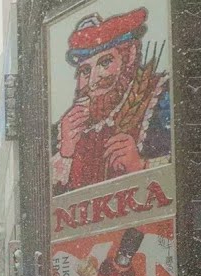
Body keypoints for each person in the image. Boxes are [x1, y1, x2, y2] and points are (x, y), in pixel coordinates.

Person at [50, 8, 171, 196]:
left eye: (105, 63)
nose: (92, 81)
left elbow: (190, 164)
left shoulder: (160, 96)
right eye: (85, 71)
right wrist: (65, 152)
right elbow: (47, 197)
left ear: (130, 55)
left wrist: (142, 165)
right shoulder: (65, 128)